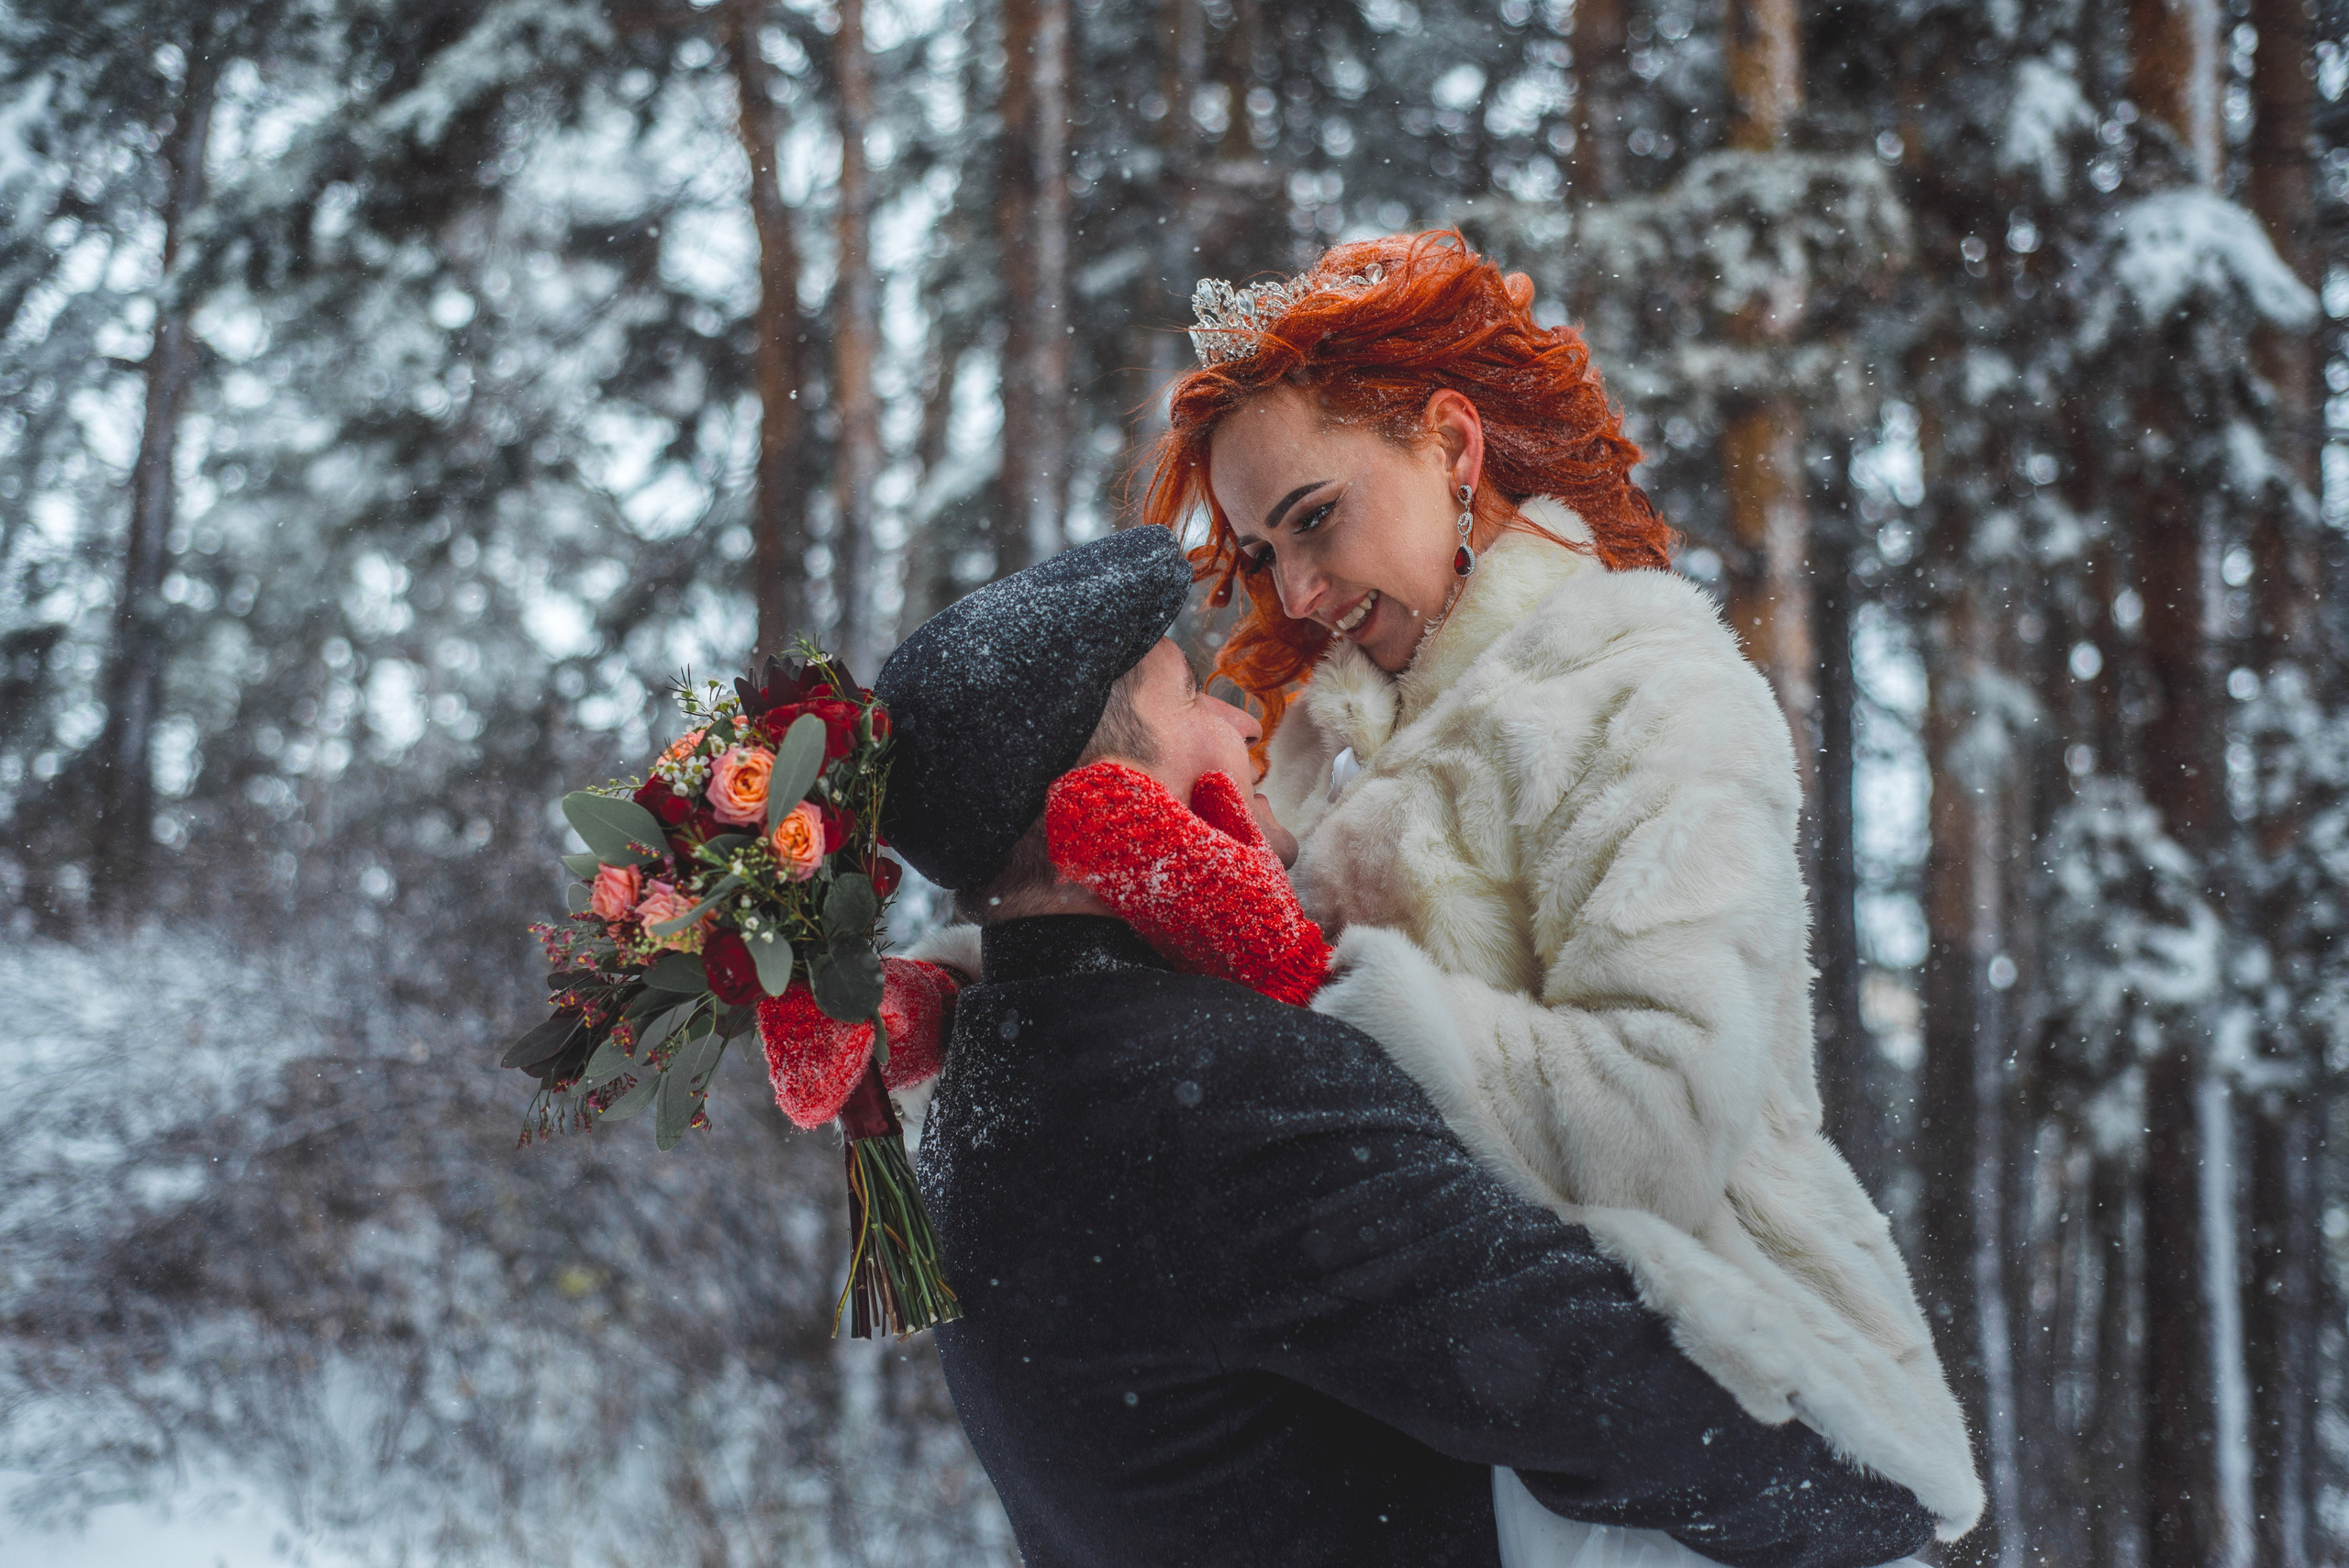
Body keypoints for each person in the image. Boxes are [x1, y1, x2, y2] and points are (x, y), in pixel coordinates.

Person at [1035, 232, 1983, 1565]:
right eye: (1262, 551)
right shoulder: (1332, 727)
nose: (1297, 591)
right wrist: (973, 984)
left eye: (1315, 517)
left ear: (1455, 447)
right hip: (1500, 1415)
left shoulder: (1656, 696)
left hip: (1706, 1413)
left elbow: (1651, 1122)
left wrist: (1327, 984)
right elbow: (1214, 996)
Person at [796, 525, 1937, 1568]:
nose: (1243, 719)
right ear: (1108, 801)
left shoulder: (995, 1076)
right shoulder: (1211, 1097)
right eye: (1193, 690)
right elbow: (1585, 1380)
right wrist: (1875, 1491)